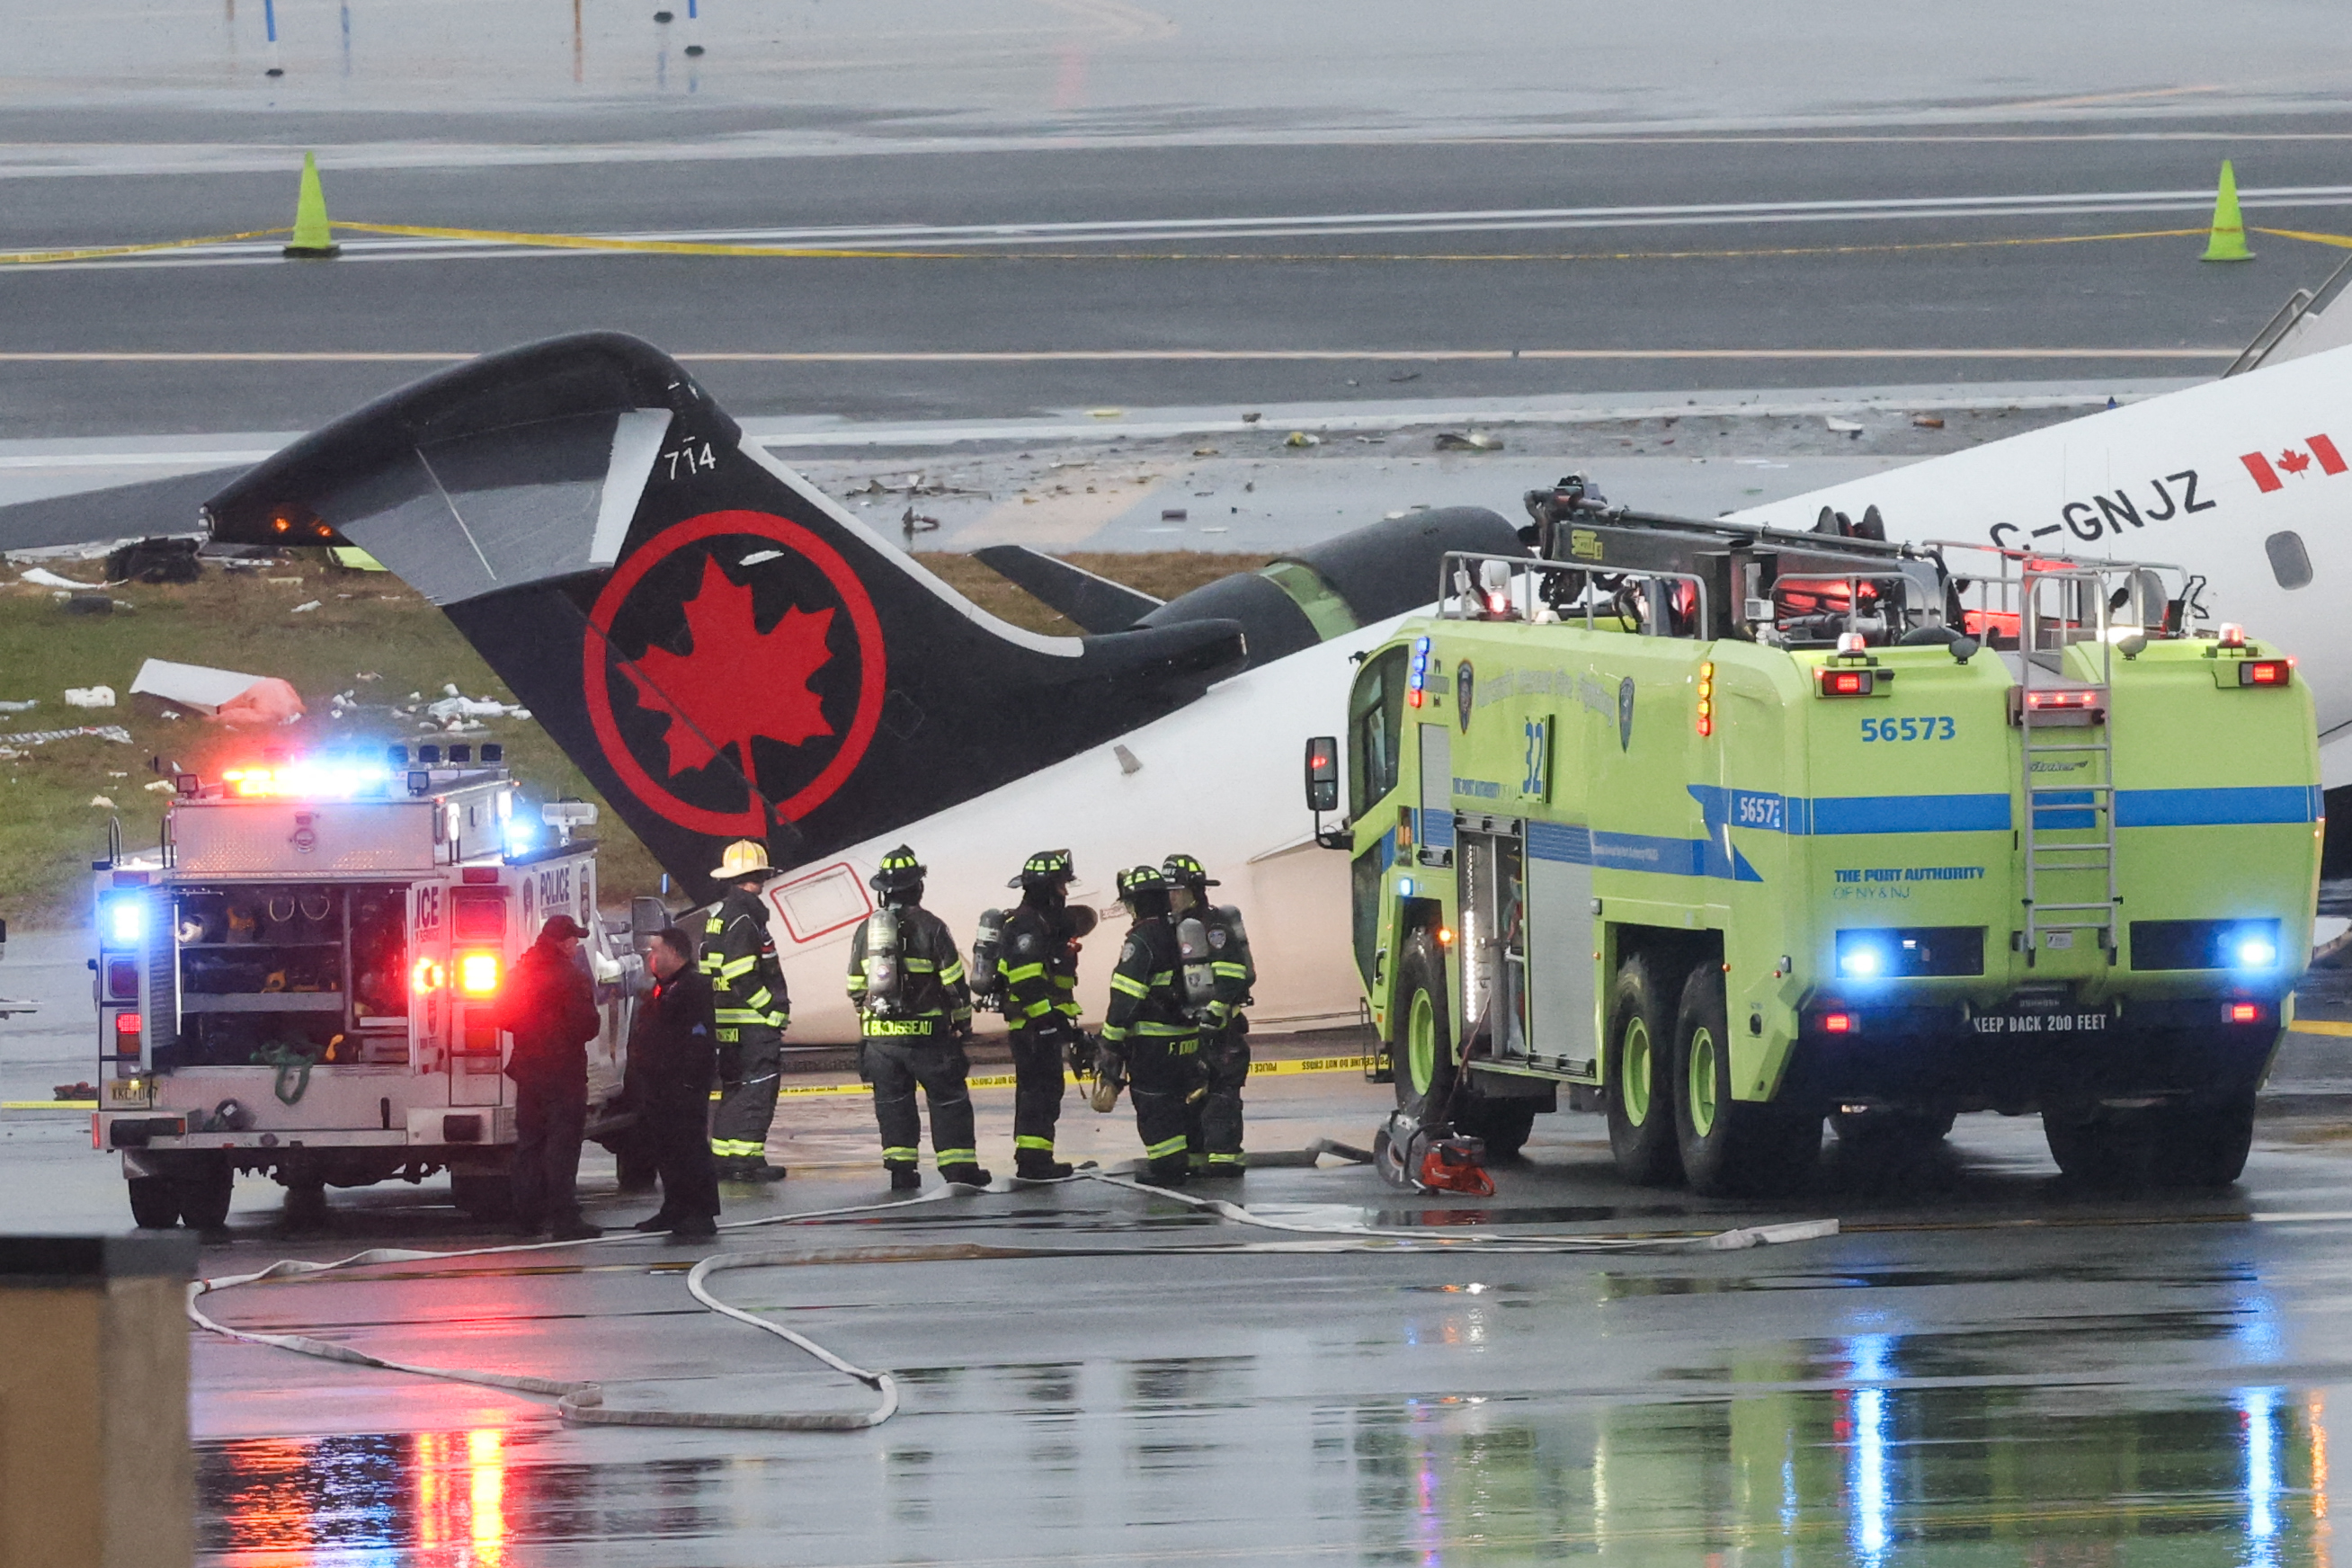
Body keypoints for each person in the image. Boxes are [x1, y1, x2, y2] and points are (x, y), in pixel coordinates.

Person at [847, 845, 991, 1191]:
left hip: (881, 1044)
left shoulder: (866, 931)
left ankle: (902, 1172)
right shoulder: (933, 927)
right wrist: (963, 1024)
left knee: (893, 1104)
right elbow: (955, 983)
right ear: (918, 888)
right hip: (929, 1039)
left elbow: (854, 986)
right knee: (948, 1100)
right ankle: (959, 1172)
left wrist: (874, 1020)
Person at [1098, 867, 1205, 1185]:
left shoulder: (1142, 938)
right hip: (1187, 1038)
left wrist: (1110, 1039)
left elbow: (1126, 996)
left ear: (1135, 903)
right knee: (1184, 1103)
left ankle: (1167, 1168)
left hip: (1154, 1042)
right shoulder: (1182, 931)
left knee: (1155, 1103)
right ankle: (1195, 1162)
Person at [502, 914, 605, 1241]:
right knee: (562, 1146)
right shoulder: (570, 977)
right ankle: (564, 1220)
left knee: (529, 1145)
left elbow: (500, 1014)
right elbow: (588, 1026)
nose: (576, 947)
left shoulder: (519, 972)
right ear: (562, 942)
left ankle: (526, 1218)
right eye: (574, 941)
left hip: (528, 1070)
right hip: (563, 1073)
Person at [700, 839, 791, 1183]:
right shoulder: (744, 917)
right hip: (752, 1024)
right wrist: (771, 1011)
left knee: (735, 1089)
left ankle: (725, 1156)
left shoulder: (720, 916)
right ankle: (747, 1160)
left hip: (727, 1021)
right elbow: (743, 974)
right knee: (757, 1089)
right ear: (758, 876)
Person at [624, 926, 722, 1239]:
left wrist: (689, 1082)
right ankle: (675, 1208)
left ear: (675, 954)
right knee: (666, 1150)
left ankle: (701, 1213)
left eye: (656, 951)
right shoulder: (664, 987)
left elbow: (698, 1039)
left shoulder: (692, 988)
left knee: (689, 1148)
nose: (651, 958)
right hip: (658, 1084)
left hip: (682, 1086)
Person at [997, 849, 1089, 1180]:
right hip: (1032, 1026)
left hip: (1044, 1023)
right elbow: (1025, 978)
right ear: (1047, 888)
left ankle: (1035, 1156)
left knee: (1043, 1090)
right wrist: (1046, 1021)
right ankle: (1034, 1163)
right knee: (1038, 1091)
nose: (1065, 893)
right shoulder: (1026, 924)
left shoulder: (1043, 923)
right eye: (1061, 886)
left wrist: (1062, 1022)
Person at [1166, 852, 1256, 1177]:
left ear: (1194, 889)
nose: (1171, 897)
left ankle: (1224, 1160)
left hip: (1221, 1029)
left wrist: (1215, 1013)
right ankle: (1198, 1158)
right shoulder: (1176, 927)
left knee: (1220, 1095)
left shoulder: (1212, 925)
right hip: (1192, 1028)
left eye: (1176, 890)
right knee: (1192, 1095)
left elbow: (1232, 974)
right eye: (1168, 891)